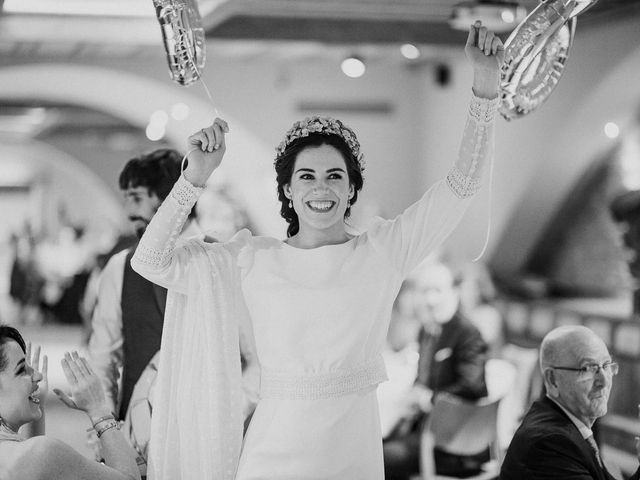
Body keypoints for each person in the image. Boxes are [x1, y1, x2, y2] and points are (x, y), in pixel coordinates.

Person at [132, 21, 504, 480]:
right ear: (287, 191)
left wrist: (485, 88)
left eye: (334, 176)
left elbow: (462, 185)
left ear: (352, 191)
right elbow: (149, 261)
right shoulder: (251, 257)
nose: (321, 188)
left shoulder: (383, 251)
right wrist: (194, 178)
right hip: (273, 453)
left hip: (354, 453)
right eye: (306, 176)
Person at [384, 260, 489, 479]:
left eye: (438, 290)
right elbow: (422, 378)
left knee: (384, 458)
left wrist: (429, 399)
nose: (431, 299)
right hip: (424, 428)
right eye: (425, 291)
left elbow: (473, 387)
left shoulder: (467, 334)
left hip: (455, 440)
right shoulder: (426, 330)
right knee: (370, 445)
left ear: (454, 292)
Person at [0, 324, 140, 480]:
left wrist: (36, 408)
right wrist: (99, 410)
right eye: (21, 370)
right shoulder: (42, 453)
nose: (38, 375)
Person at [500, 325, 640, 480]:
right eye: (588, 368)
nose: (604, 381)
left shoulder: (572, 424)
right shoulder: (550, 444)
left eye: (606, 365)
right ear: (552, 380)